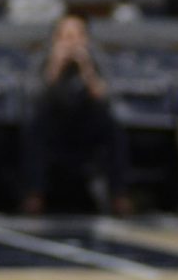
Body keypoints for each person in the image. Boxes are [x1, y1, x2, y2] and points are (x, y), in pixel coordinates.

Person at [20, 13, 131, 216]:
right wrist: (55, 66)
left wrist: (86, 68)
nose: (71, 41)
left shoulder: (96, 59)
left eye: (77, 35)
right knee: (34, 125)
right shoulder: (43, 59)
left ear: (86, 39)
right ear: (55, 39)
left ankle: (118, 195)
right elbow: (33, 97)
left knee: (113, 126)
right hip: (54, 127)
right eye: (65, 36)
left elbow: (107, 98)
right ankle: (35, 194)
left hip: (86, 128)